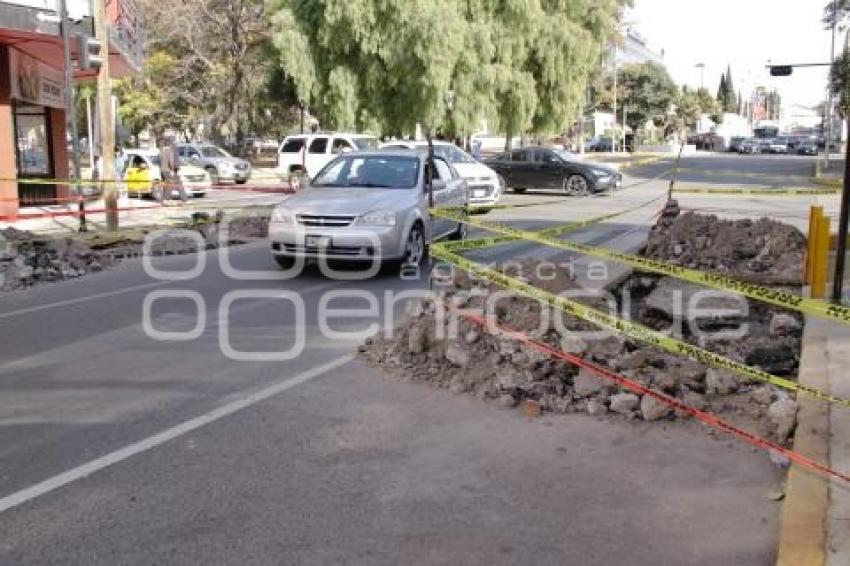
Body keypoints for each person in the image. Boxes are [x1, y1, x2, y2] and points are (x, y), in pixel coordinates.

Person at [157, 136, 187, 204]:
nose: (175, 143)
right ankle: (184, 199)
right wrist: (172, 170)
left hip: (164, 170)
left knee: (167, 185)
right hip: (169, 170)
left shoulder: (161, 150)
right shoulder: (169, 150)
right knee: (178, 184)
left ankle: (164, 199)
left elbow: (159, 161)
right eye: (173, 141)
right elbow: (171, 161)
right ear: (169, 142)